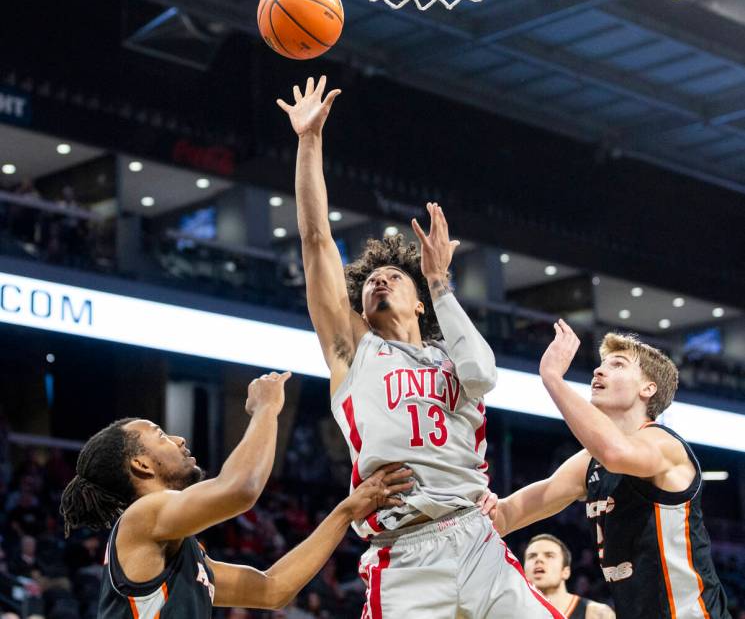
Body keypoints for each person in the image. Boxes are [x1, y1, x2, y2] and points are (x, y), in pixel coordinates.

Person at [277, 76, 561, 618]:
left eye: (392, 278)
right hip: (403, 553)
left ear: (420, 304)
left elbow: (484, 373)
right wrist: (308, 142)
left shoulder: (453, 351)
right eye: (370, 282)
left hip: (477, 539)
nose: (378, 283)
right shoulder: (354, 353)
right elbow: (315, 243)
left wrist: (440, 282)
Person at [60, 371, 412, 617]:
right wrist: (266, 409)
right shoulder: (141, 516)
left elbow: (273, 589)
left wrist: (346, 512)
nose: (180, 439)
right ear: (141, 465)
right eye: (161, 435)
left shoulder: (183, 558)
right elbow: (241, 488)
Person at [491, 321, 731, 619]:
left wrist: (553, 378)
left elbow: (616, 453)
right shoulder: (589, 462)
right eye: (602, 364)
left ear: (648, 388)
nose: (598, 370)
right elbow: (506, 515)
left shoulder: (664, 443)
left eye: (617, 365)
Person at [524, 534, 614, 618]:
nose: (539, 560)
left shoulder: (597, 613)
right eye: (532, 556)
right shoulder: (513, 613)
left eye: (549, 555)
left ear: (565, 572)